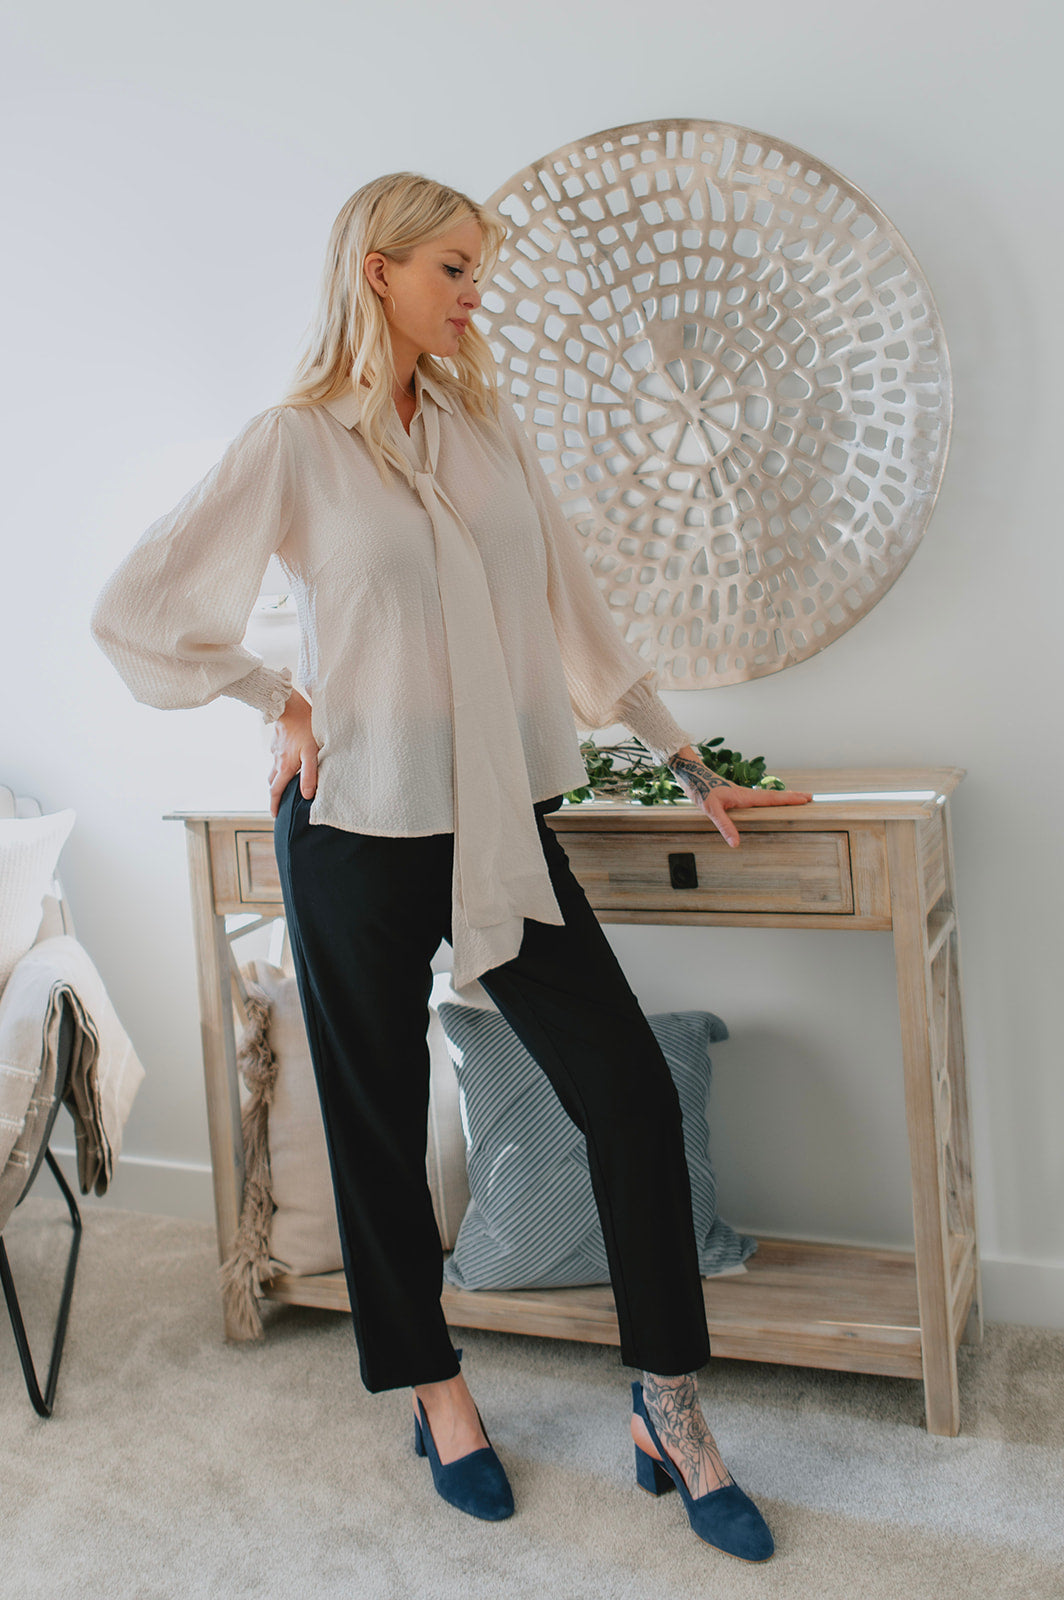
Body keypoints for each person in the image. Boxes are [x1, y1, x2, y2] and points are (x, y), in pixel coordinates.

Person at [91, 171, 811, 1559]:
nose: (477, 293)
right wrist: (277, 699)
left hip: (495, 821)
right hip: (355, 823)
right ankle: (439, 1395)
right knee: (376, 1122)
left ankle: (668, 1404)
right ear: (378, 270)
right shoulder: (294, 445)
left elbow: (575, 613)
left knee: (629, 1095)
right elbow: (141, 609)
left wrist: (685, 758)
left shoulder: (488, 433)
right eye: (456, 268)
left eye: (481, 269)